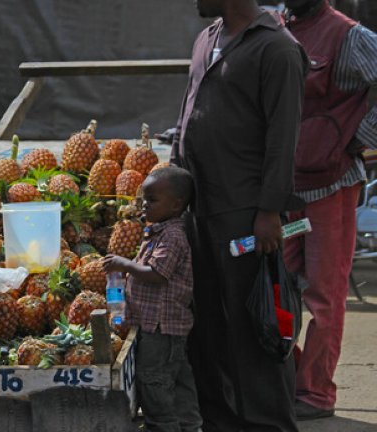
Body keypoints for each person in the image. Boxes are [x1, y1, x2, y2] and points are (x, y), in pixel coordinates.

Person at [170, 1, 307, 431]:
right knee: (207, 323)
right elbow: (187, 114)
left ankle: (270, 423)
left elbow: (284, 137)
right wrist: (174, 183)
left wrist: (270, 210)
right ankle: (220, 420)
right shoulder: (206, 39)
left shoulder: (277, 48)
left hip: (245, 215)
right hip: (200, 209)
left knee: (255, 326)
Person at [283, 0, 377, 420]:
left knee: (324, 294)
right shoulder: (276, 27)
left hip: (331, 187)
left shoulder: (348, 35)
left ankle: (316, 392)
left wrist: (359, 138)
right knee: (277, 283)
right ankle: (287, 376)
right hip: (286, 190)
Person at [102, 167, 201, 432]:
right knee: (177, 379)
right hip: (162, 327)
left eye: (153, 200)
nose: (145, 205)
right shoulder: (159, 231)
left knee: (154, 381)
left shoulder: (172, 236)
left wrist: (124, 264)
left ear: (176, 204)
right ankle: (190, 425)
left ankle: (164, 425)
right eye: (144, 199)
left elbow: (157, 274)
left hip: (161, 329)